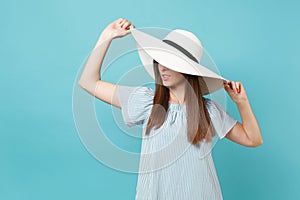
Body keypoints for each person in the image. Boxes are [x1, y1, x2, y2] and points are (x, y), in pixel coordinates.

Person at [78, 18, 263, 200]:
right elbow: (88, 82)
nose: (162, 68)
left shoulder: (209, 110)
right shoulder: (146, 102)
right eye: (159, 61)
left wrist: (242, 102)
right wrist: (106, 37)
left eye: (170, 62)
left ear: (187, 69)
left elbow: (252, 139)